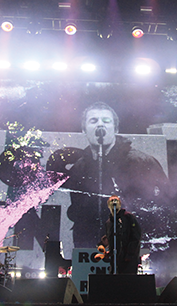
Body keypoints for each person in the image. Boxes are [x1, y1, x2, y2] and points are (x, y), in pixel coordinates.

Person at [47, 102, 169, 247]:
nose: (100, 125)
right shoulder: (80, 166)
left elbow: (166, 203)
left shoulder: (142, 162)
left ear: (116, 129)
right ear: (84, 130)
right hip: (88, 244)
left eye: (106, 121)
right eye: (93, 121)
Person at [104, 195, 141, 274]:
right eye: (112, 200)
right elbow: (111, 239)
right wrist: (110, 252)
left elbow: (136, 236)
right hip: (115, 260)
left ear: (120, 204)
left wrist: (130, 254)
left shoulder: (128, 217)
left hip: (128, 259)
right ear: (108, 205)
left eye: (116, 200)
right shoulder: (109, 223)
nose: (114, 202)